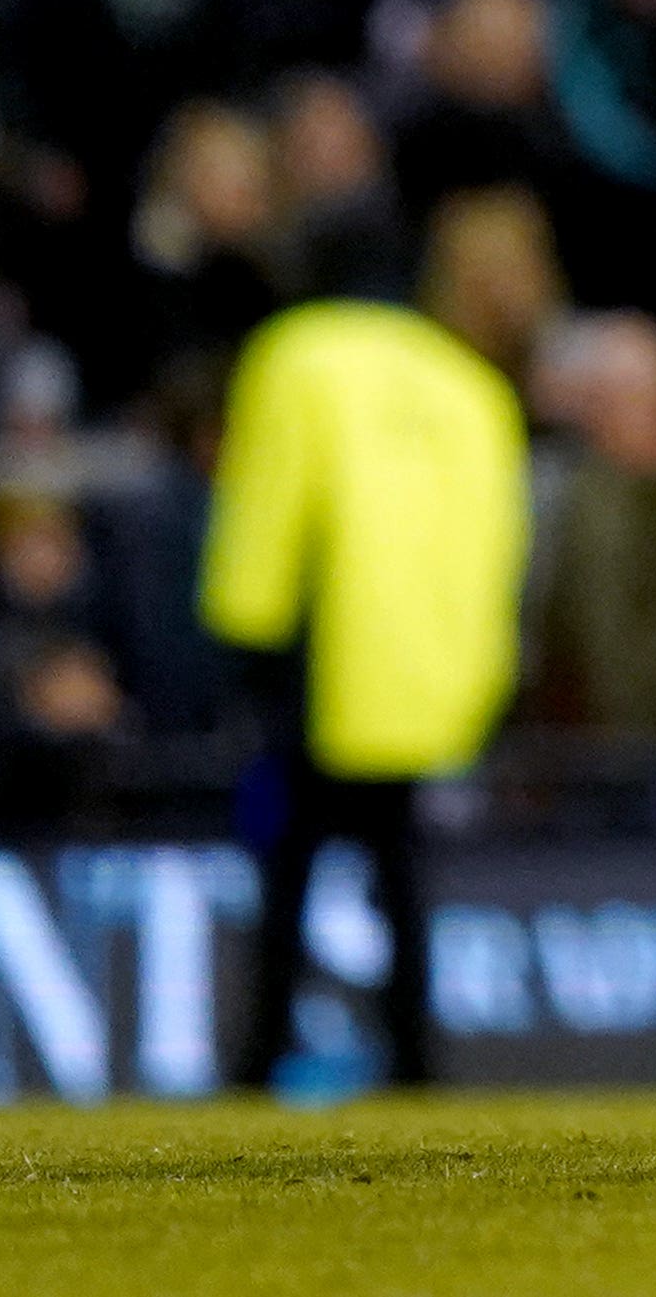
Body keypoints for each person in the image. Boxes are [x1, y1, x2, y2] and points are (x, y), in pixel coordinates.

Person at [202, 193, 541, 1089]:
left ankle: (261, 1052)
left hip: (317, 663)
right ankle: (415, 1060)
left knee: (289, 862)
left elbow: (267, 503)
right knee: (399, 867)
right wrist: (478, 670)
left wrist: (243, 627)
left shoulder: (296, 353)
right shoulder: (465, 378)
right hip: (423, 671)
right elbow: (499, 542)